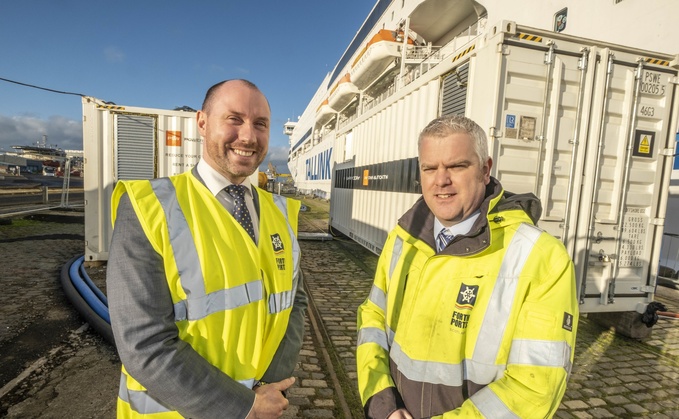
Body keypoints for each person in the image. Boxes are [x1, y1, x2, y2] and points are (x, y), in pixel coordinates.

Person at [107, 79, 307, 419]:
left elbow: (294, 304)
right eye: (234, 119)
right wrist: (244, 406)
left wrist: (269, 388)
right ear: (202, 123)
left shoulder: (280, 212)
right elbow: (144, 344)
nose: (248, 136)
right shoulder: (147, 208)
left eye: (260, 124)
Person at [356, 115, 579, 418]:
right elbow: (373, 318)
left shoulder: (541, 257)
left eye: (457, 166)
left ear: (485, 170)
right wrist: (383, 403)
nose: (441, 180)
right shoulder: (402, 238)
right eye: (430, 168)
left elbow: (535, 386)